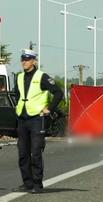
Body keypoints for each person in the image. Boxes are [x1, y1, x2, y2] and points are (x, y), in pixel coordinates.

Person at [12, 49, 63, 194]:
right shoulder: (20, 77)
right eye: (22, 59)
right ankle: (27, 183)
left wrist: (50, 109)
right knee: (22, 153)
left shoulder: (42, 77)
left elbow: (58, 93)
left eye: (27, 59)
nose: (24, 62)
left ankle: (37, 184)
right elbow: (17, 93)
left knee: (35, 152)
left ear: (34, 61)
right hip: (22, 118)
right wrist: (17, 106)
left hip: (36, 118)